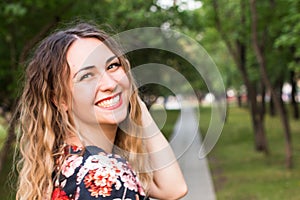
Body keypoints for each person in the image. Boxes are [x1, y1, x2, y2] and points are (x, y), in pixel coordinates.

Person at [15, 22, 187, 200]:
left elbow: (173, 189)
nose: (111, 84)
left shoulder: (65, 164)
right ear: (59, 99)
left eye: (113, 66)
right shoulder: (105, 176)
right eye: (87, 76)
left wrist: (135, 102)